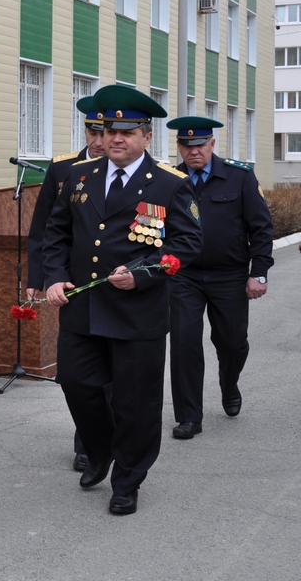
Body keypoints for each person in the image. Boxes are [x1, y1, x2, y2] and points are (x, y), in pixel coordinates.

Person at [42, 85, 202, 515]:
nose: (116, 138)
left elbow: (187, 244)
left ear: (147, 137)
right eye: (111, 130)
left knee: (136, 403)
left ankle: (128, 479)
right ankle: (100, 451)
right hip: (84, 309)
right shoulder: (79, 176)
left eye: (128, 131)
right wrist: (54, 277)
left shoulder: (170, 184)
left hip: (137, 313)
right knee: (76, 384)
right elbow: (57, 234)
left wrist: (143, 274)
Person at [165, 117, 273, 440]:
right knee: (183, 342)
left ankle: (229, 382)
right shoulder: (169, 180)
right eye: (187, 145)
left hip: (230, 276)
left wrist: (259, 272)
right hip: (185, 276)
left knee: (232, 342)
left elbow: (261, 227)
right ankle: (189, 417)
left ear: (213, 145)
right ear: (179, 147)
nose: (194, 152)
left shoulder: (239, 177)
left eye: (200, 145)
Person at [26, 95, 105, 473]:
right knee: (78, 372)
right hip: (70, 283)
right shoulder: (63, 169)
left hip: (115, 279)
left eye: (106, 131)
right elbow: (42, 228)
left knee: (112, 370)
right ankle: (88, 443)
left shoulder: (138, 174)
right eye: (93, 130)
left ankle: (106, 439)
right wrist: (36, 277)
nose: (99, 139)